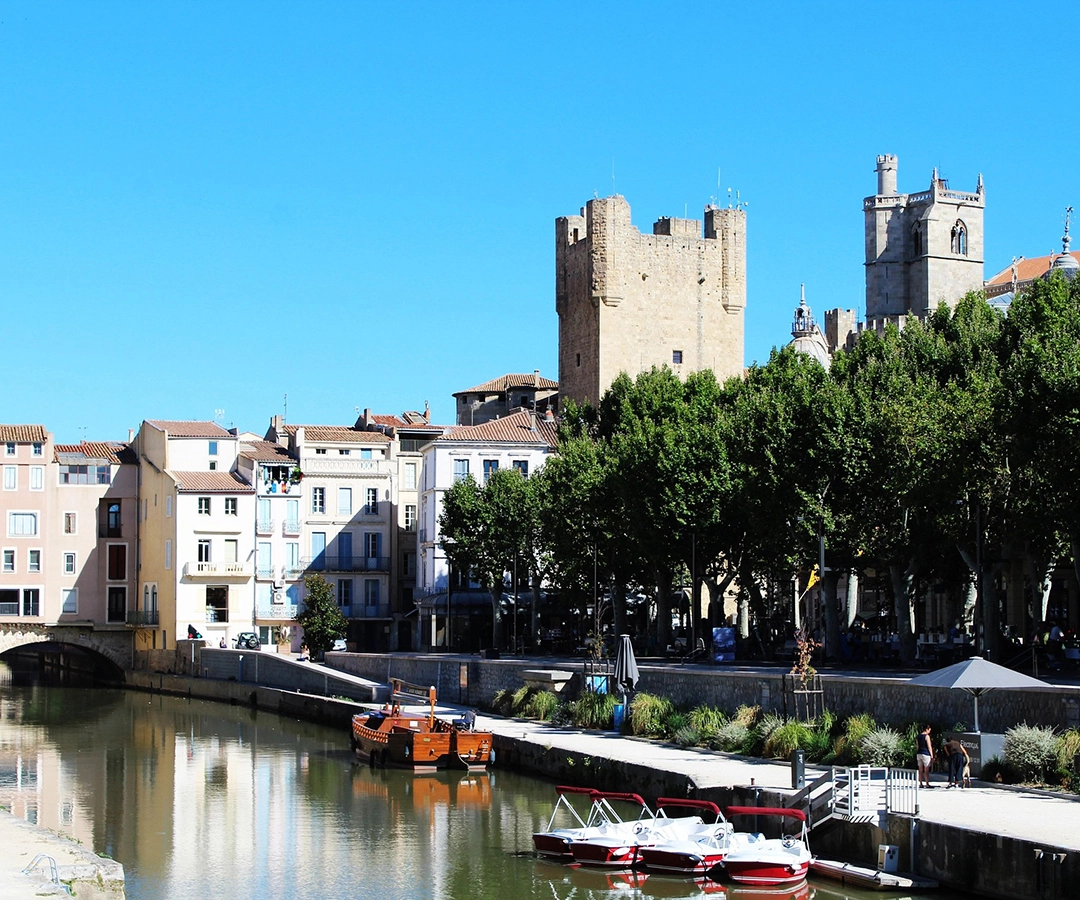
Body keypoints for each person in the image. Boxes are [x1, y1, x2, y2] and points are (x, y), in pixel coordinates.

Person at [916, 724, 934, 788]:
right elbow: (929, 746)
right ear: (927, 729)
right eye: (929, 730)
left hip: (919, 753)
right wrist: (932, 755)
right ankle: (927, 784)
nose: (929, 731)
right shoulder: (927, 736)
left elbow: (917, 746)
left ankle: (920, 783)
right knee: (926, 770)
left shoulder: (918, 736)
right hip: (925, 754)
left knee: (920, 770)